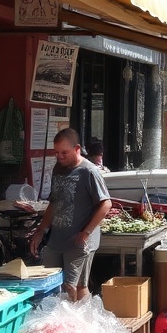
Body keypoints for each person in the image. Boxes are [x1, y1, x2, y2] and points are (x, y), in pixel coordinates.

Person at [29, 128, 112, 301]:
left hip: (80, 241)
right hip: (57, 238)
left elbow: (106, 204)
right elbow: (54, 203)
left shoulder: (89, 171)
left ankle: (80, 318)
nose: (59, 157)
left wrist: (86, 232)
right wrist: (41, 230)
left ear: (77, 149)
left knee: (75, 286)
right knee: (51, 283)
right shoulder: (58, 169)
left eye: (64, 152)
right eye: (56, 152)